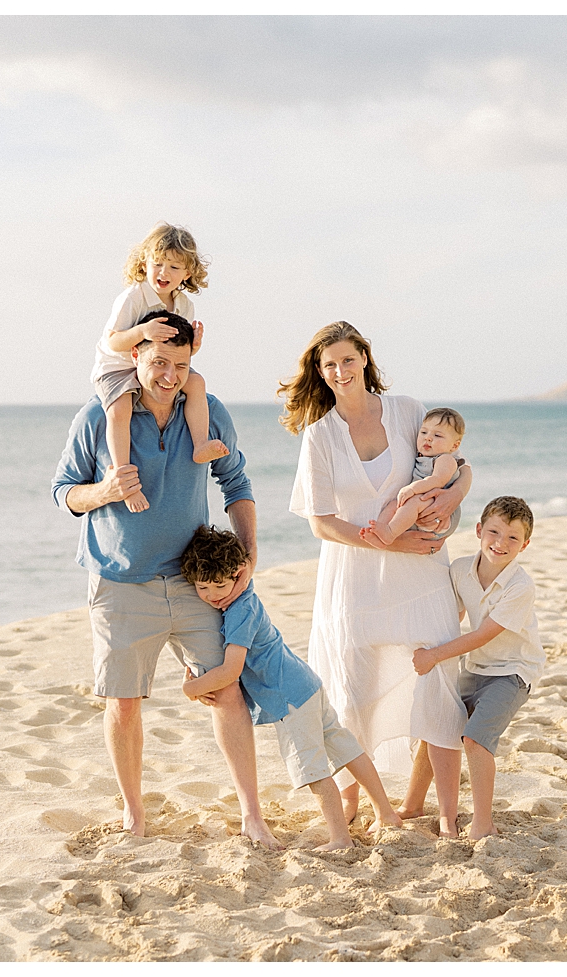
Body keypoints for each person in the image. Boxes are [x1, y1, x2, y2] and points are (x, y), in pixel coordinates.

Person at [52, 316, 276, 846]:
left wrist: (247, 553)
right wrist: (104, 490)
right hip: (120, 583)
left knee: (225, 690)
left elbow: (235, 481)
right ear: (135, 357)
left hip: (197, 581)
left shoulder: (208, 413)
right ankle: (134, 813)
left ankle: (252, 814)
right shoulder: (96, 418)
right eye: (158, 362)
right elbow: (64, 491)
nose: (169, 375)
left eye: (180, 365)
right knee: (124, 703)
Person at [281, 321, 473, 831]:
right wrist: (385, 539)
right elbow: (321, 522)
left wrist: (452, 502)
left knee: (436, 686)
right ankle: (350, 802)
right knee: (351, 690)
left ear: (364, 358)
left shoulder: (408, 411)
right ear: (320, 374)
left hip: (421, 575)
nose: (340, 372)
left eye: (348, 360)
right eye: (329, 366)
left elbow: (455, 464)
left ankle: (445, 815)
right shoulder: (319, 436)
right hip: (354, 577)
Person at [178, 525, 405, 850]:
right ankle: (387, 813)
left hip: (290, 700)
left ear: (238, 574)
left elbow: (231, 670)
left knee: (312, 768)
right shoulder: (244, 594)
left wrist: (191, 688)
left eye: (219, 584)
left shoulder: (239, 610)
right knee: (346, 748)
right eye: (202, 587)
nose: (213, 595)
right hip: (306, 684)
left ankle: (341, 839)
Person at [411, 497, 544, 840]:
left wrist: (435, 656)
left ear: (525, 545)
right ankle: (413, 804)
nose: (501, 543)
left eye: (513, 538)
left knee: (474, 739)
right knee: (438, 727)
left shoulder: (519, 586)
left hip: (512, 671)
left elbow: (483, 634)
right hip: (476, 668)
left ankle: (483, 823)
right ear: (479, 530)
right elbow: (451, 617)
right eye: (495, 532)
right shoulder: (459, 570)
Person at [89, 222, 228, 513]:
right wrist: (144, 331)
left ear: (187, 274)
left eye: (174, 267)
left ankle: (200, 443)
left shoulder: (184, 305)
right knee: (119, 410)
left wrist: (194, 347)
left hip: (157, 368)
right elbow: (114, 341)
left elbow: (178, 351)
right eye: (158, 263)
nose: (164, 273)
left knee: (197, 383)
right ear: (144, 263)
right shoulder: (133, 297)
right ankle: (124, 479)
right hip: (117, 366)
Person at [359, 407, 467, 547]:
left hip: (442, 514)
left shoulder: (446, 459)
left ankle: (390, 533)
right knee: (394, 505)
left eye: (438, 436)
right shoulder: (422, 457)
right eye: (423, 432)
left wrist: (412, 489)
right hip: (424, 505)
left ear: (454, 446)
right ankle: (381, 531)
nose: (428, 437)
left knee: (413, 502)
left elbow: (437, 480)